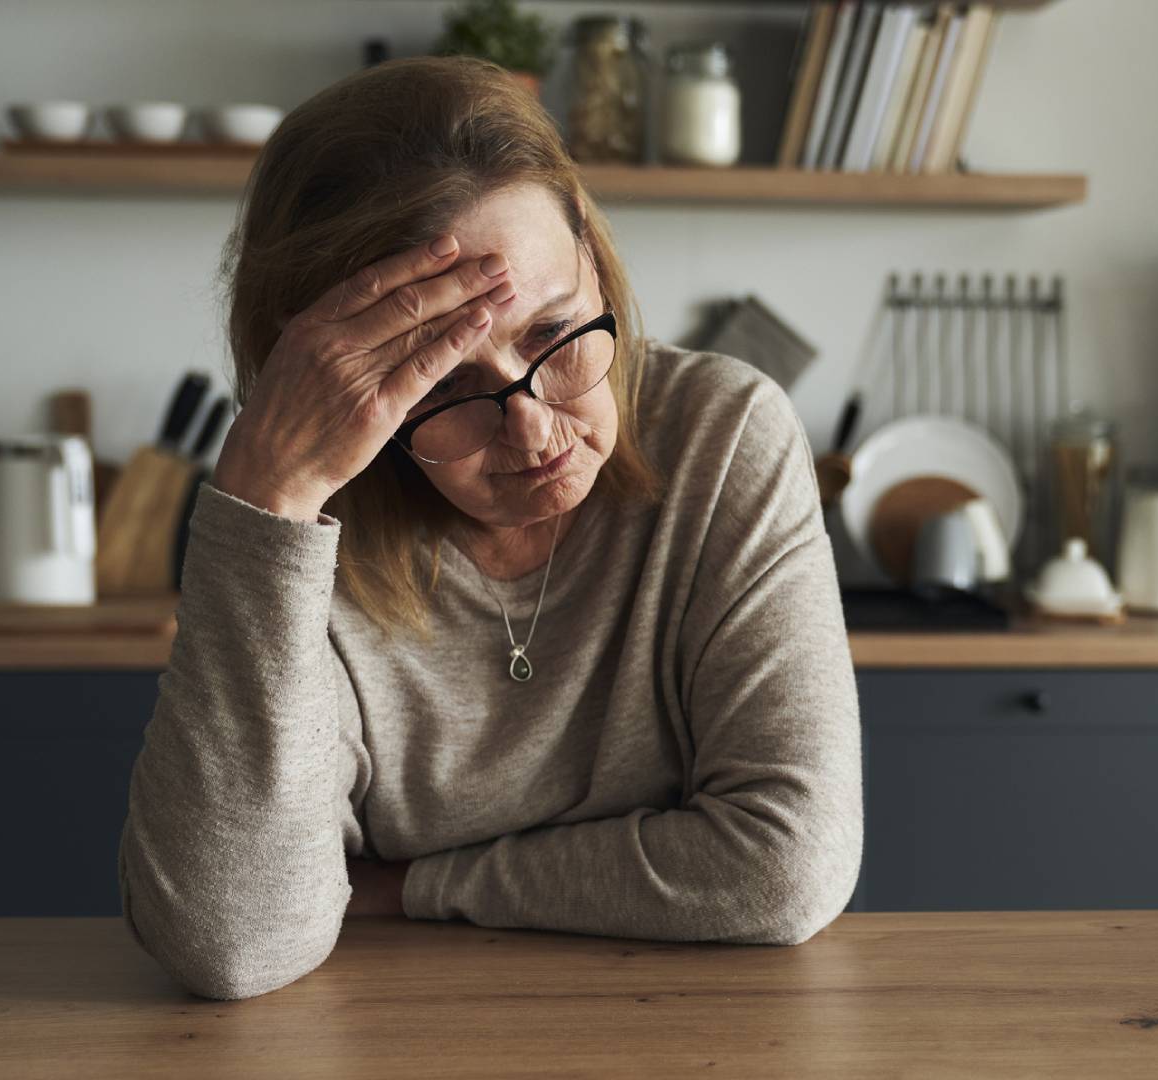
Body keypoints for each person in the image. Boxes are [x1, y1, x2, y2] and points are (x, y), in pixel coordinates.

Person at [116, 56, 863, 1001]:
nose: (534, 431)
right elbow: (233, 941)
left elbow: (784, 869)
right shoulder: (303, 522)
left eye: (553, 336)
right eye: (444, 385)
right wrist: (268, 503)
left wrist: (414, 887)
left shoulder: (724, 432)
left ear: (591, 253)